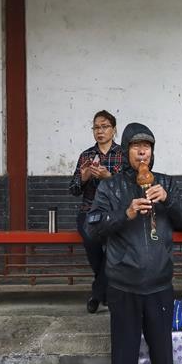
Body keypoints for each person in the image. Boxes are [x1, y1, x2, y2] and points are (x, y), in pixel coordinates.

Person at [86, 122, 182, 364]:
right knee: (124, 351)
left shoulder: (165, 183)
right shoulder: (111, 188)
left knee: (162, 352)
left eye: (147, 147)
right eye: (136, 147)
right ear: (126, 153)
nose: (143, 152)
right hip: (123, 284)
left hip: (159, 284)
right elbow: (93, 227)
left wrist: (170, 201)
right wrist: (127, 213)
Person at [68, 110, 125, 314]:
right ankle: (106, 292)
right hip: (89, 210)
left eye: (104, 127)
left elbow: (127, 187)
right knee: (92, 246)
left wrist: (109, 177)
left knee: (113, 250)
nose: (100, 131)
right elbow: (74, 190)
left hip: (116, 211)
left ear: (114, 130)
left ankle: (97, 294)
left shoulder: (123, 155)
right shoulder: (86, 155)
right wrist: (83, 178)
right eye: (96, 127)